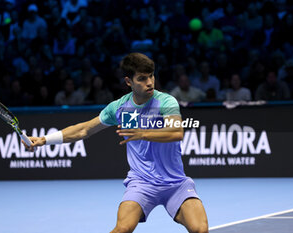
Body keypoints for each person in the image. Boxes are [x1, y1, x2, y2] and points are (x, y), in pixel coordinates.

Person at [23, 53, 209, 233]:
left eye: (151, 76)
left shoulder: (166, 101)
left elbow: (176, 132)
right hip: (142, 183)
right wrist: (45, 140)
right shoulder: (119, 108)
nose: (150, 82)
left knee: (200, 229)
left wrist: (143, 133)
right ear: (128, 82)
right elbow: (84, 129)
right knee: (122, 229)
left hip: (175, 182)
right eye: (142, 78)